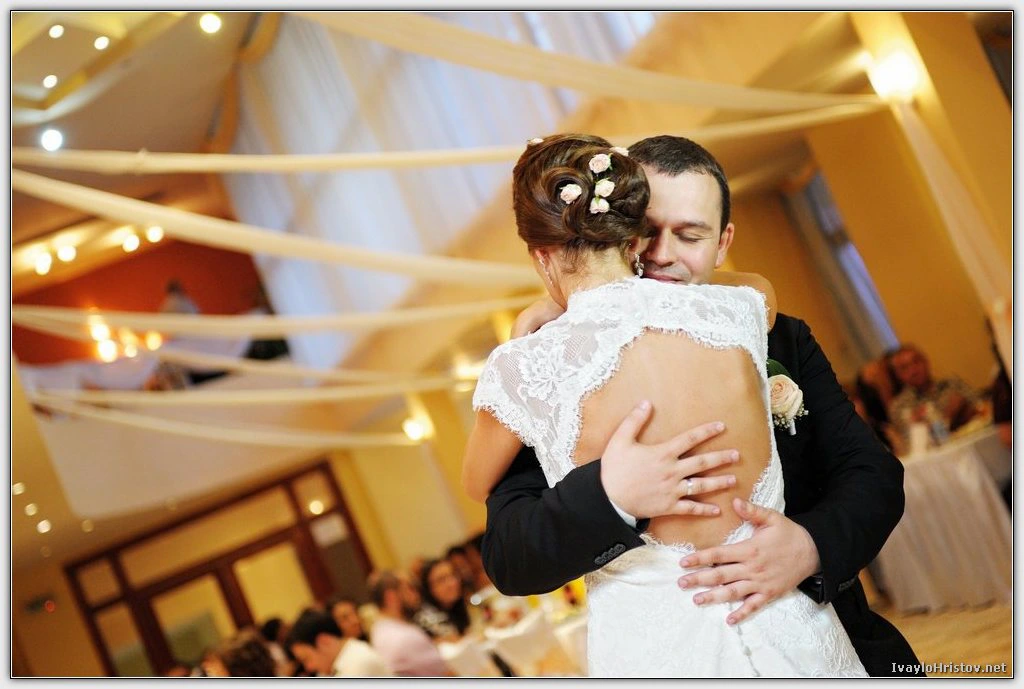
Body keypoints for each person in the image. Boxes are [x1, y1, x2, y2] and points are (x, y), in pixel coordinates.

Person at [471, 134, 918, 675]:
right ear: (615, 231)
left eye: (689, 235)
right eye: (645, 232)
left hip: (818, 626)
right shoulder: (552, 371)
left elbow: (872, 473)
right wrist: (608, 496)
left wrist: (809, 546)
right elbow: (510, 554)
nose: (661, 255)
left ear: (723, 241)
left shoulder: (771, 329)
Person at [366, 570, 452, 676]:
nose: (416, 595)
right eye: (408, 589)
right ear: (391, 597)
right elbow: (449, 675)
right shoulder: (406, 637)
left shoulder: (378, 629)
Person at [887, 343, 984, 438]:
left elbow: (981, 409)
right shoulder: (900, 407)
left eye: (916, 362)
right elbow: (913, 441)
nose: (913, 370)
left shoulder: (953, 385)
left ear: (926, 362)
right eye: (904, 368)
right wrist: (948, 417)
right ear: (898, 375)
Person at [285, 609, 392, 677]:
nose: (309, 667)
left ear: (324, 641)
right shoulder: (332, 666)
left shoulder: (358, 662)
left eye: (306, 659)